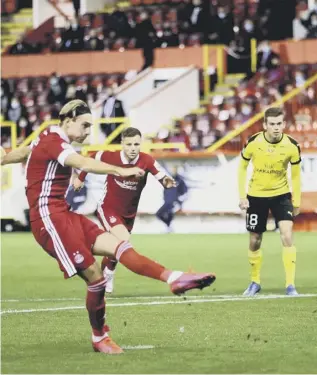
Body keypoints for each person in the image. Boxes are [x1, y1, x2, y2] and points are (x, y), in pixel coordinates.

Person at [0, 100, 215, 354]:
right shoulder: (56, 141)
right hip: (48, 219)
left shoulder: (48, 135)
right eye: (85, 125)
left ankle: (173, 278)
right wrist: (119, 171)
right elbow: (83, 163)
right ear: (68, 119)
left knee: (120, 247)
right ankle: (99, 336)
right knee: (95, 277)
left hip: (65, 214)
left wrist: (4, 159)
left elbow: (28, 150)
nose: (88, 132)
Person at [73, 127, 177, 293]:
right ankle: (107, 272)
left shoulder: (146, 160)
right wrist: (80, 179)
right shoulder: (110, 156)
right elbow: (90, 160)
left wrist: (167, 182)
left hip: (129, 214)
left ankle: (105, 271)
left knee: (116, 246)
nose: (133, 148)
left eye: (136, 144)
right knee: (123, 241)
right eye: (129, 144)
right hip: (108, 209)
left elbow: (161, 175)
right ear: (122, 144)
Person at [238, 107, 301, 296]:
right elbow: (242, 168)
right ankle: (255, 281)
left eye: (279, 124)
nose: (276, 128)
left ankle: (290, 284)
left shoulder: (292, 145)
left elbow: (296, 176)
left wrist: (296, 201)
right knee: (255, 239)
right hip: (256, 196)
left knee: (287, 235)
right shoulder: (253, 142)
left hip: (281, 195)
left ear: (284, 124)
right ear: (265, 125)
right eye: (272, 124)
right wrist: (242, 196)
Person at [156, 166, 189, 232]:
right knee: (160, 214)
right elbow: (165, 190)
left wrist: (178, 199)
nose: (173, 171)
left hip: (173, 202)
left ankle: (169, 228)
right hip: (167, 202)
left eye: (174, 170)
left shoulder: (179, 180)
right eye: (172, 170)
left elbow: (184, 190)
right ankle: (169, 227)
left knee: (165, 214)